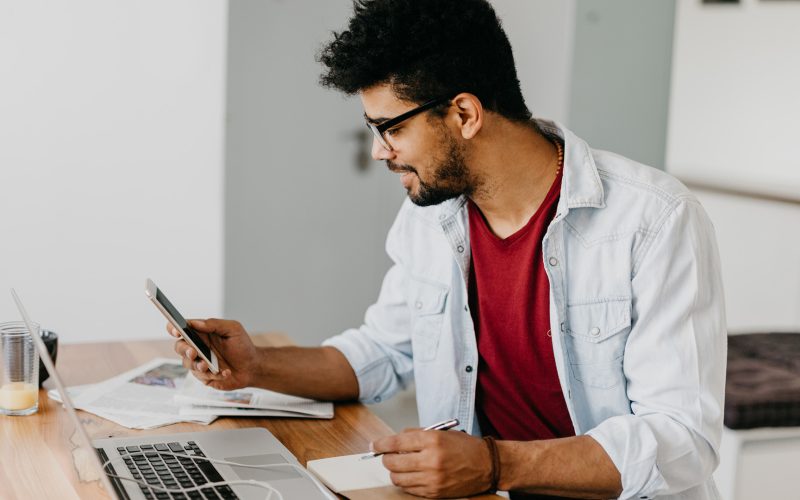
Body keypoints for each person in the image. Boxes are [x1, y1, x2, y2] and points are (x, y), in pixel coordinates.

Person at [167, 1, 727, 498]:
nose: (380, 152)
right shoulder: (432, 217)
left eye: (389, 128)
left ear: (464, 114)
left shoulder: (654, 220)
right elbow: (384, 353)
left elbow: (682, 439)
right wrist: (258, 366)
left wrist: (494, 465)